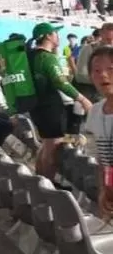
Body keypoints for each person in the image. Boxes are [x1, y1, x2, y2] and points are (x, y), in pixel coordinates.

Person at [29, 22, 93, 179]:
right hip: (49, 108)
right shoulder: (47, 58)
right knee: (53, 147)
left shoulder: (32, 56)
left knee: (45, 145)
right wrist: (82, 99)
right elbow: (60, 82)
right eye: (55, 33)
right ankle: (47, 186)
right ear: (48, 36)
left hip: (37, 107)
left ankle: (39, 181)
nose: (58, 36)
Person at [84, 46, 113, 218]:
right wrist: (104, 189)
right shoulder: (94, 113)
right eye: (96, 70)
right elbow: (101, 160)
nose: (103, 74)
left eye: (111, 69)